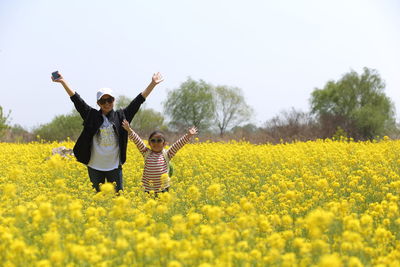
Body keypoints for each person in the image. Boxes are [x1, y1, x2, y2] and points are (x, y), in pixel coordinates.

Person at [51, 71, 163, 193]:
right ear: (98, 103)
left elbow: (138, 101)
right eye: (102, 101)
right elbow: (77, 100)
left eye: (109, 100)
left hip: (114, 167)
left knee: (117, 201)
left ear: (114, 100)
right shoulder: (91, 115)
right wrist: (63, 82)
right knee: (98, 200)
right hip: (94, 166)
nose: (106, 104)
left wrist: (152, 84)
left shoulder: (121, 116)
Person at [122, 119, 198, 194]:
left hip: (163, 188)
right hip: (148, 189)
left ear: (164, 144)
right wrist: (129, 130)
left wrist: (188, 135)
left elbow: (178, 145)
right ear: (149, 143)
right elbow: (137, 141)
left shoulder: (167, 154)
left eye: (159, 140)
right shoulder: (146, 153)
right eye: (153, 140)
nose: (156, 143)